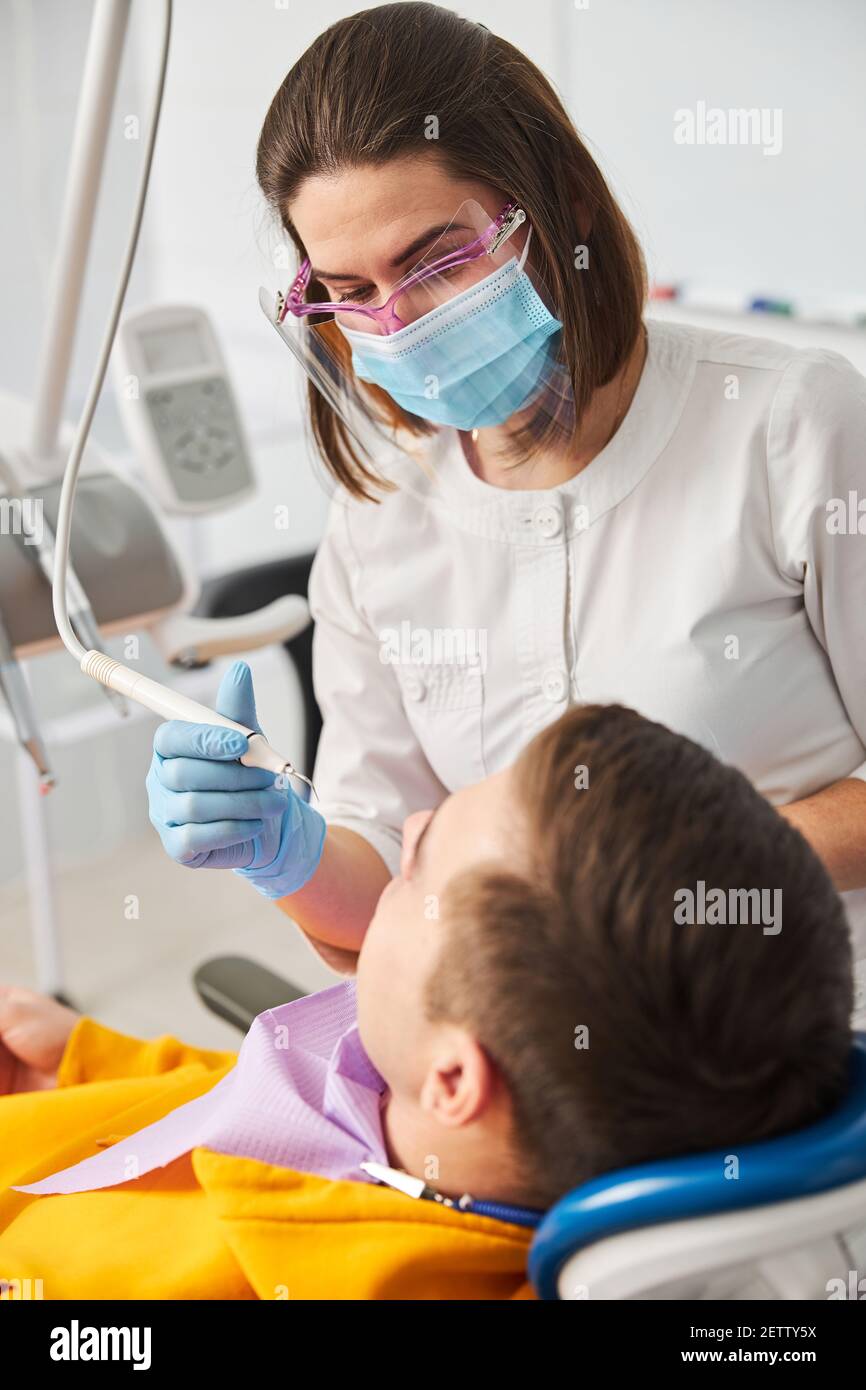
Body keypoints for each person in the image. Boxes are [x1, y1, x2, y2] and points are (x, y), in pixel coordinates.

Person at [147, 3, 866, 1008]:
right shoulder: (383, 515)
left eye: (436, 261)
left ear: (560, 200)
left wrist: (657, 873)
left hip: (807, 1037)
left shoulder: (788, 424)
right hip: (534, 1074)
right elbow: (384, 900)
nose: (393, 325)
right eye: (349, 290)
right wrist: (284, 852)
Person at [2, 706, 854, 1300]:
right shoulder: (418, 1134)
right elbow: (289, 1120)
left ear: (453, 1081)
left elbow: (274, 1175)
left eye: (419, 867)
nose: (403, 829)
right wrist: (87, 1061)